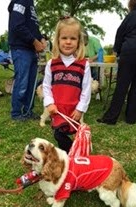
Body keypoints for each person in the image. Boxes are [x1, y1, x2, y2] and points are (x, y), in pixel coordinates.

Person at [43, 17, 92, 153]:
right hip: (57, 110)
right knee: (59, 134)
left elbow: (86, 89)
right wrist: (49, 103)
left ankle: (77, 154)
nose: (68, 42)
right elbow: (46, 87)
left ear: (79, 41)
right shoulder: (51, 64)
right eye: (64, 38)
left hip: (74, 110)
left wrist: (80, 109)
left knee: (76, 134)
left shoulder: (83, 64)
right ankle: (69, 155)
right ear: (57, 40)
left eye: (73, 38)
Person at [97, 0, 136, 125]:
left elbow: (120, 33)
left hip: (130, 51)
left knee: (121, 86)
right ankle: (131, 118)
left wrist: (117, 51)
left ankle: (110, 118)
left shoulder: (133, 15)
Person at [8, 0, 46, 121]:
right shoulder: (20, 1)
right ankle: (17, 113)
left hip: (31, 50)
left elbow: (33, 27)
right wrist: (35, 42)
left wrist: (41, 38)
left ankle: (28, 111)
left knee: (31, 83)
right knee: (22, 82)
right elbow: (17, 25)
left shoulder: (31, 4)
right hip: (21, 48)